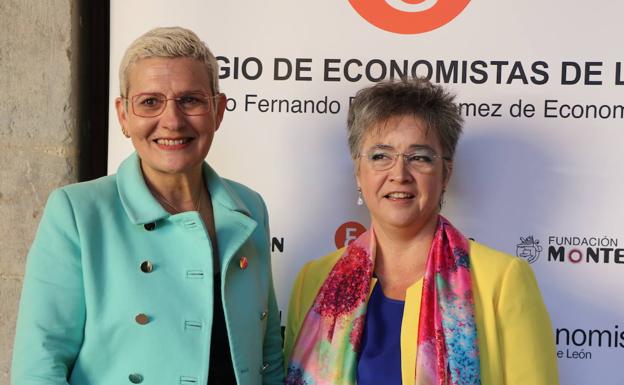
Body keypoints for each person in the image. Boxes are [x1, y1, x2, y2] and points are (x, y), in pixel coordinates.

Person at [12, 27, 283, 385]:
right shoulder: (78, 213)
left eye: (191, 100)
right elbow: (39, 366)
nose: (172, 120)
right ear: (123, 116)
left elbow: (268, 354)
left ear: (217, 111)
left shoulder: (249, 207)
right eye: (150, 102)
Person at [283, 78, 558, 385]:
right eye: (380, 156)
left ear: (445, 174)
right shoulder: (314, 279)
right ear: (358, 173)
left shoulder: (503, 279)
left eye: (419, 158)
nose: (399, 174)